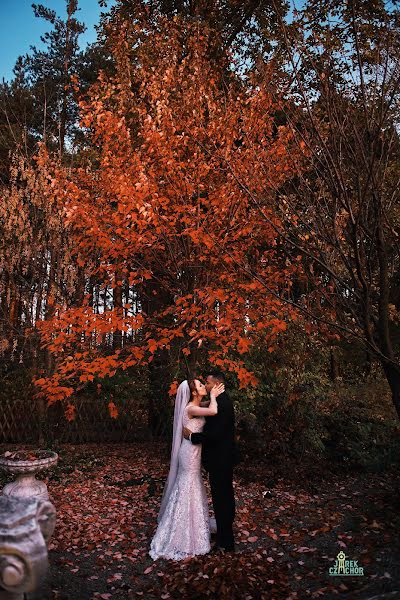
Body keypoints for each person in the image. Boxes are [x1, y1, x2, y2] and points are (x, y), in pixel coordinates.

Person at [149, 378, 225, 561]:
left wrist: (215, 394)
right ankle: (179, 533)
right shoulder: (190, 408)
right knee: (187, 486)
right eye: (200, 386)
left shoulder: (197, 404)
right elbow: (213, 410)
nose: (203, 387)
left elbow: (208, 405)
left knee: (194, 485)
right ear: (193, 393)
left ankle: (193, 528)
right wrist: (214, 395)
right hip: (188, 453)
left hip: (194, 452)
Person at [183, 369, 238, 553]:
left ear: (215, 384)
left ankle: (226, 542)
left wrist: (193, 437)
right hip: (219, 458)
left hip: (220, 459)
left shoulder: (222, 404)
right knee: (222, 498)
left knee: (223, 499)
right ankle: (224, 535)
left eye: (206, 382)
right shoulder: (220, 401)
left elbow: (214, 435)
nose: (205, 385)